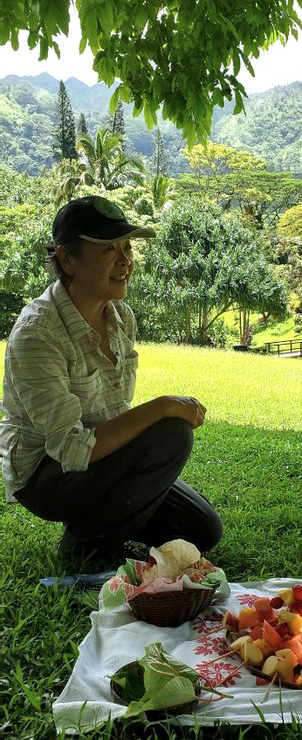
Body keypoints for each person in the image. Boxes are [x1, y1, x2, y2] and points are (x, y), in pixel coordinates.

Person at [0, 195, 223, 568]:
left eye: (127, 247)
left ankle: (106, 521)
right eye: (108, 249)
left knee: (202, 530)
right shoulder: (38, 334)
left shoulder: (120, 316)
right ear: (67, 259)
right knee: (172, 432)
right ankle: (88, 547)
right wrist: (162, 406)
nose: (125, 261)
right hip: (46, 476)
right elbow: (71, 450)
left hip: (100, 458)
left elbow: (114, 416)